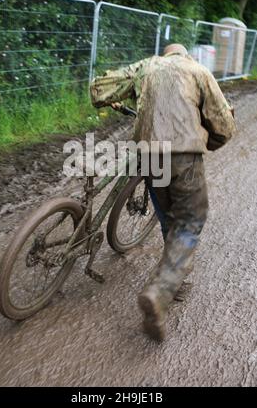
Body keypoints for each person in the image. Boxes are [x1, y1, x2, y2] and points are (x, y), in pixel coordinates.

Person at [90, 43, 236, 341]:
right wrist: (208, 143)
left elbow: (99, 89)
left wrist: (114, 100)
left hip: (150, 155)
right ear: (185, 56)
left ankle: (174, 279)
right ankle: (160, 292)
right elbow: (223, 124)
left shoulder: (147, 67)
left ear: (166, 55)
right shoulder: (198, 71)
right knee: (190, 221)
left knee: (169, 213)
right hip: (183, 157)